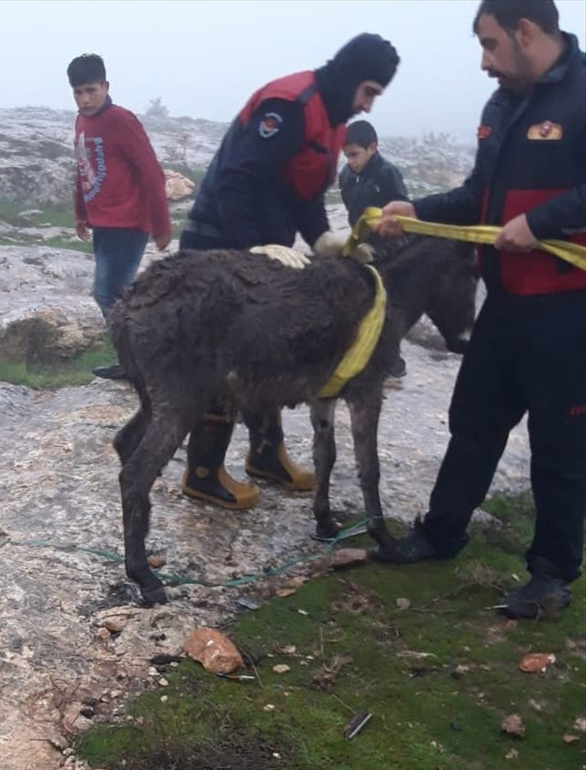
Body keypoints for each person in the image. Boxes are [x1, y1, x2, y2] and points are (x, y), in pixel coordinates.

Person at [374, 0, 586, 621]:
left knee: (560, 444)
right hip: (507, 306)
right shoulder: (501, 107)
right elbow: (478, 198)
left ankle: (551, 575)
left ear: (525, 31)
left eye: (491, 45)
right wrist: (420, 210)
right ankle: (441, 534)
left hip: (568, 312)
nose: (485, 62)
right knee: (472, 424)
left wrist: (541, 222)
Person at [178, 33, 400, 509]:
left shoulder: (334, 120)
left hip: (266, 252)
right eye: (369, 92)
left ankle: (265, 455)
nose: (368, 106)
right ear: (350, 75)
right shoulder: (291, 103)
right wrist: (249, 247)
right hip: (217, 243)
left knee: (269, 351)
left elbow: (304, 191)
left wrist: (321, 236)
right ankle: (202, 471)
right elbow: (236, 179)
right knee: (225, 356)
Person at [67, 53, 171, 381]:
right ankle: (135, 360)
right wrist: (81, 212)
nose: (85, 99)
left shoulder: (122, 121)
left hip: (129, 223)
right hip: (103, 223)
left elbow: (152, 173)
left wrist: (161, 224)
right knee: (119, 293)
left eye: (91, 90)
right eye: (78, 92)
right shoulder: (81, 121)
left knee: (107, 293)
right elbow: (83, 167)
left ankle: (139, 360)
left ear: (106, 86)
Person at [339, 120, 409, 383]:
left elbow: (403, 220)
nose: (351, 161)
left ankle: (393, 364)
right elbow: (353, 214)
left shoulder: (389, 175)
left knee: (385, 307)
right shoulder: (346, 176)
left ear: (373, 148)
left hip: (390, 250)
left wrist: (380, 247)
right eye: (347, 156)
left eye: (355, 155)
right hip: (361, 248)